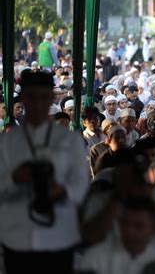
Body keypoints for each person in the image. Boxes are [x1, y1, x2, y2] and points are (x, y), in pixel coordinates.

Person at [0, 71, 88, 273]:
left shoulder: (70, 140)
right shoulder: (7, 142)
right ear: (22, 99)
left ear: (51, 98)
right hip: (17, 236)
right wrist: (14, 178)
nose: (38, 104)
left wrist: (61, 190)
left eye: (43, 97)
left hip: (59, 235)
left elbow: (82, 186)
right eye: (31, 97)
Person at [79, 197, 155, 274]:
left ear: (153, 228)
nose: (129, 231)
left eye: (139, 226)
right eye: (124, 223)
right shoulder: (94, 258)